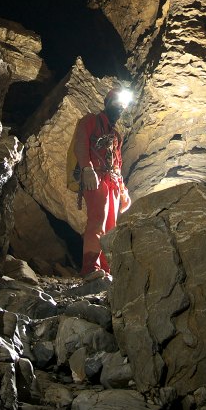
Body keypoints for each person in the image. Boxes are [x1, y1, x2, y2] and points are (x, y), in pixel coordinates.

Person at [72, 87, 132, 281]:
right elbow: (81, 143)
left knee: (111, 227)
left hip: (112, 182)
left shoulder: (116, 135)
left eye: (122, 106)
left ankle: (106, 269)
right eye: (117, 103)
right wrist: (87, 169)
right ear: (107, 103)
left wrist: (123, 191)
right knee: (97, 220)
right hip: (95, 177)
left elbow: (117, 164)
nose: (119, 108)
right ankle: (90, 267)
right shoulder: (90, 120)